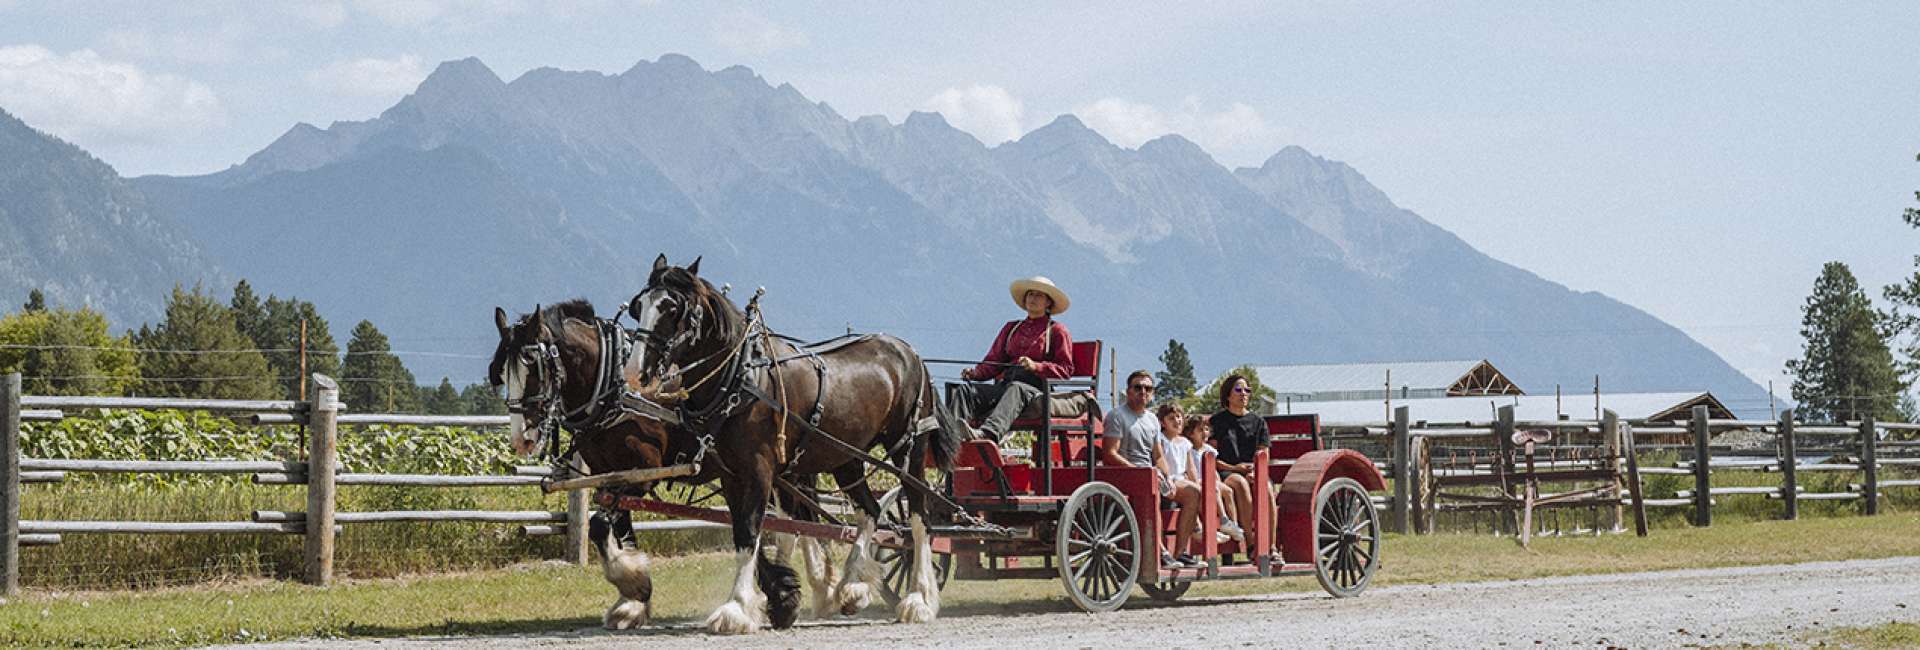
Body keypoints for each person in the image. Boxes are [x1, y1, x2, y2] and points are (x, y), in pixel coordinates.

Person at [953, 276, 1076, 442]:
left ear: (1048, 303)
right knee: (965, 391)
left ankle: (987, 435)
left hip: (1037, 390)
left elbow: (1065, 369)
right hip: (1006, 386)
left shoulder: (1057, 331)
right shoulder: (1011, 328)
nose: (1032, 298)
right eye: (1030, 294)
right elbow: (994, 361)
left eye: (1039, 295)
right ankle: (950, 437)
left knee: (1017, 389)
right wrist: (975, 374)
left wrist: (1036, 366)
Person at [1102, 372, 1200, 569]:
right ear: (1128, 391)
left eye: (1147, 388)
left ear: (1153, 393)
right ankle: (1161, 552)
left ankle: (1180, 553)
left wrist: (1168, 476)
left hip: (1151, 475)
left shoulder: (1152, 420)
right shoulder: (1117, 416)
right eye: (1137, 387)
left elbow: (1158, 455)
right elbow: (1110, 454)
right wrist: (1138, 472)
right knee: (1152, 492)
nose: (1143, 392)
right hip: (1126, 476)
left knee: (1193, 492)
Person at [1209, 374, 1275, 555]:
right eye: (1238, 390)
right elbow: (1212, 457)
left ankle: (1271, 546)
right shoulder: (1217, 422)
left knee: (1267, 489)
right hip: (1226, 471)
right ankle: (1251, 543)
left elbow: (1264, 454)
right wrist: (1235, 468)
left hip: (1253, 470)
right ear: (1228, 395)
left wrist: (1256, 471)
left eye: (1247, 390)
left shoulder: (1258, 422)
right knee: (1240, 483)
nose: (1243, 394)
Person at [1185, 414, 1245, 544]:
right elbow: (1190, 472)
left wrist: (1217, 480)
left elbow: (1214, 468)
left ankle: (1232, 524)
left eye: (1206, 430)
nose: (1204, 433)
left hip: (1210, 480)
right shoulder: (1190, 449)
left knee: (1228, 491)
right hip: (1197, 481)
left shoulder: (1209, 449)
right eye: (1200, 430)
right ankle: (1223, 518)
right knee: (1215, 490)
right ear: (1190, 434)